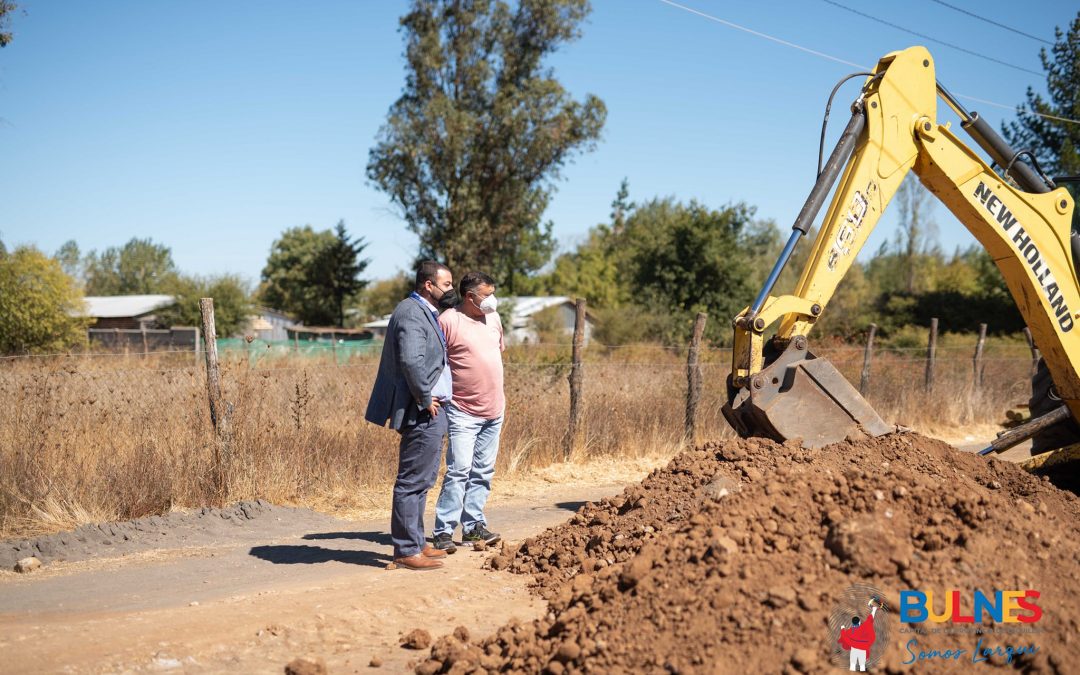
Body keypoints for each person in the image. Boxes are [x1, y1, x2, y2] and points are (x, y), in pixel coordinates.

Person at [364, 260, 458, 571]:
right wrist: (425, 396)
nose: (450, 290)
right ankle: (405, 549)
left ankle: (416, 542)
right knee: (411, 481)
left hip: (433, 406)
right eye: (445, 285)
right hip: (422, 407)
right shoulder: (410, 312)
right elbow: (411, 360)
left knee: (424, 479)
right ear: (428, 285)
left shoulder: (424, 312)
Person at [431, 271, 505, 552]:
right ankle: (443, 531)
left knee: (483, 471)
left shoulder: (494, 319)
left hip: (494, 408)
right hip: (463, 411)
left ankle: (474, 527)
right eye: (487, 295)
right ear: (470, 297)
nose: (492, 300)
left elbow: (497, 353)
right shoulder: (448, 320)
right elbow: (435, 361)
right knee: (459, 470)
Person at [838, 598, 879, 671]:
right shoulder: (863, 628)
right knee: (862, 666)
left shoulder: (850, 631)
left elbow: (844, 636)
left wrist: (842, 628)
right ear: (859, 623)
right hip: (862, 650)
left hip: (854, 650)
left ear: (853, 623)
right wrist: (874, 610)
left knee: (852, 666)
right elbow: (870, 620)